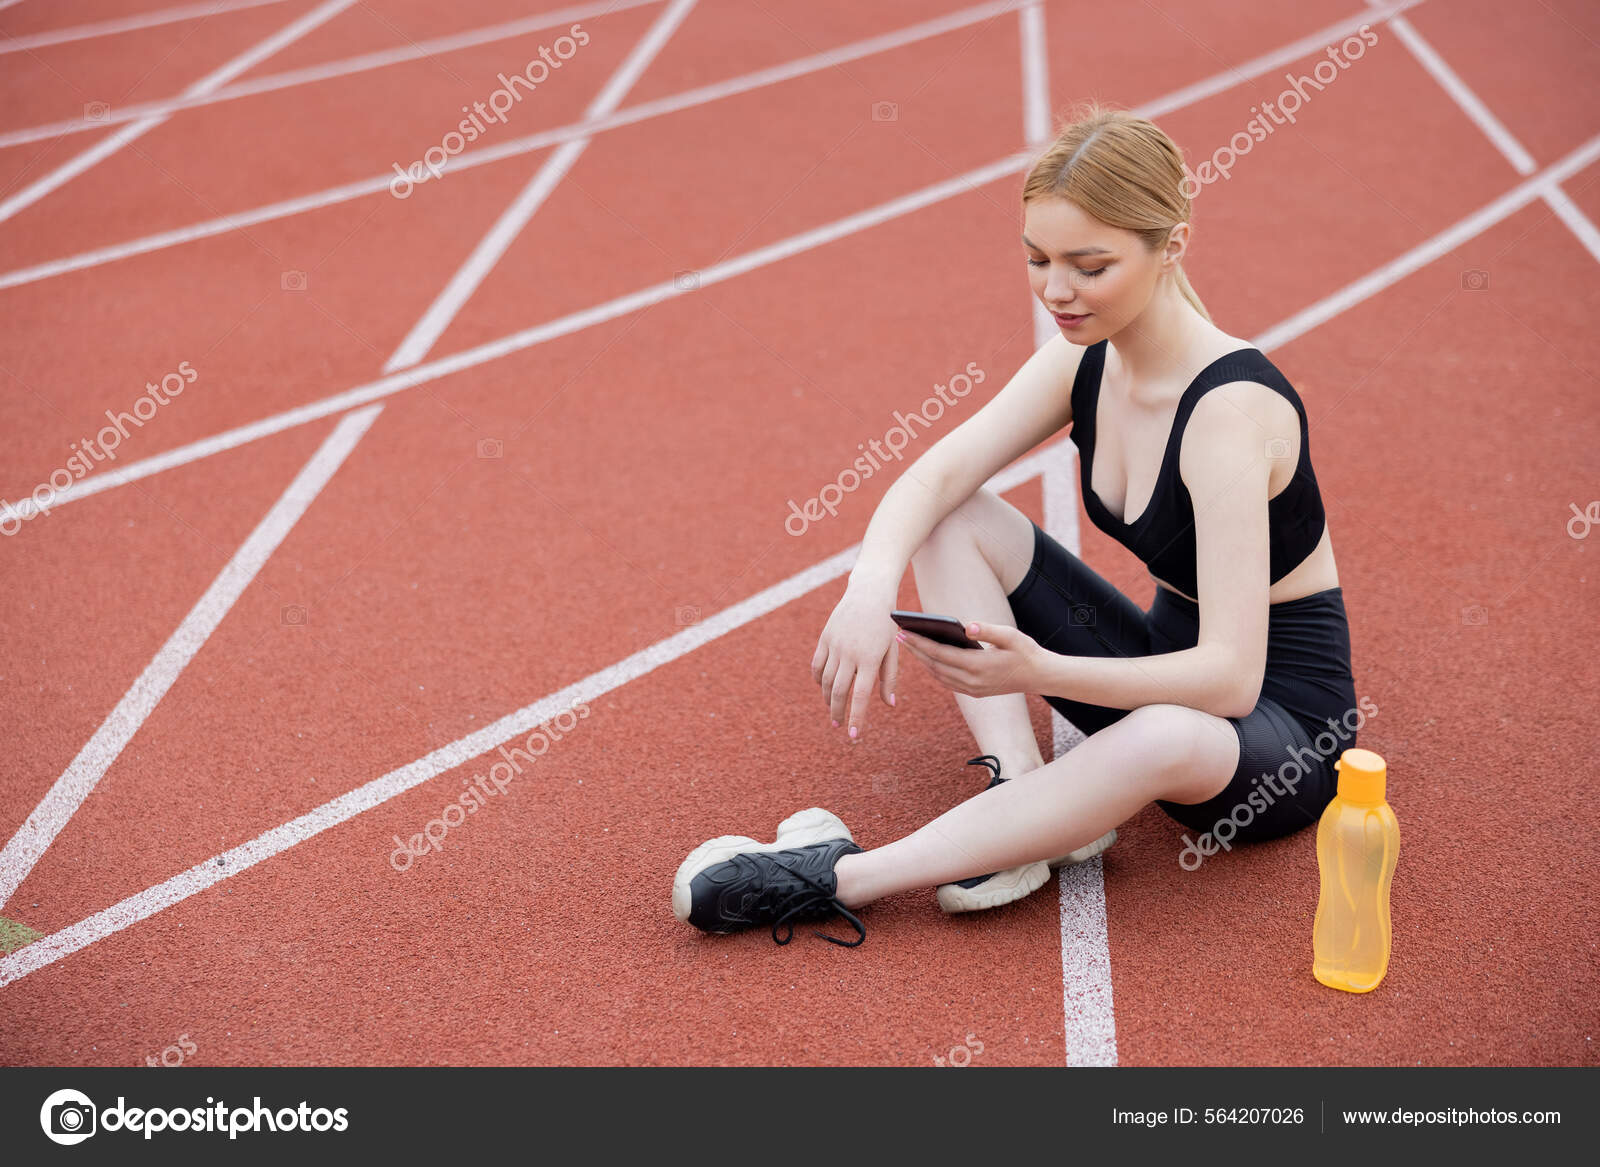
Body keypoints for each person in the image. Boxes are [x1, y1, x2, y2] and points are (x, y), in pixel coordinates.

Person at [671, 103, 1358, 947]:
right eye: (1037, 259)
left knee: (1167, 734)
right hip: (1159, 659)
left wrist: (1042, 667)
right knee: (952, 515)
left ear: (1171, 244)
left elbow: (1229, 683)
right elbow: (937, 474)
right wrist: (867, 586)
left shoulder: (1229, 415)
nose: (1057, 290)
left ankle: (837, 877)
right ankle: (1019, 794)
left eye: (1090, 265)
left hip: (1277, 740)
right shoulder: (1084, 358)